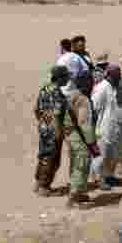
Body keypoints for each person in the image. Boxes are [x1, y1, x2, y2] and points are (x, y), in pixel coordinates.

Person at [60, 72, 100, 207]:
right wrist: (92, 143)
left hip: (69, 134)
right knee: (81, 163)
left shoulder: (70, 95)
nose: (93, 84)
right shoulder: (83, 99)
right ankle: (74, 197)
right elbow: (84, 124)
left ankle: (80, 191)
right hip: (79, 135)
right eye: (91, 82)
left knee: (75, 162)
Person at [33, 65, 71, 196]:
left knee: (43, 155)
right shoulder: (56, 92)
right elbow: (56, 115)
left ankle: (38, 183)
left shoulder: (45, 88)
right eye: (66, 76)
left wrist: (43, 122)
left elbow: (36, 109)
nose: (68, 79)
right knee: (52, 158)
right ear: (60, 78)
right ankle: (44, 187)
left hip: (44, 127)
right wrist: (58, 131)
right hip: (53, 130)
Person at [91, 65, 122, 190]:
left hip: (113, 127)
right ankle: (99, 179)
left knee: (112, 154)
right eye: (117, 75)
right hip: (102, 127)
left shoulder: (113, 87)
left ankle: (109, 176)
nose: (119, 77)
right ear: (109, 75)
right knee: (101, 155)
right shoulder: (102, 88)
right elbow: (94, 107)